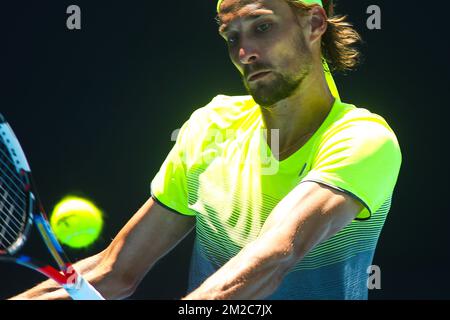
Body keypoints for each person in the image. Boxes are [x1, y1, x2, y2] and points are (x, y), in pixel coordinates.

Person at [12, 0, 402, 300]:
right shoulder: (210, 128)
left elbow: (275, 255)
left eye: (262, 27)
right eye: (231, 37)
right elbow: (114, 271)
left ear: (314, 23)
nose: (244, 51)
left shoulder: (363, 139)